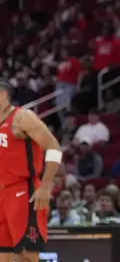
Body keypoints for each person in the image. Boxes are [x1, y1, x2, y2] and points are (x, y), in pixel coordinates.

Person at [0, 79, 62, 262]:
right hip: (3, 193)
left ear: (3, 96)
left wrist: (45, 186)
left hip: (24, 190)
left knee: (26, 254)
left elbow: (54, 148)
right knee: (4, 255)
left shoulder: (22, 118)